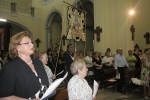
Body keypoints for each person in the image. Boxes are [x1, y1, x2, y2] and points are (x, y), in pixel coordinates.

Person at [0, 31, 49, 99]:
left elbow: (43, 83)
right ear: (17, 48)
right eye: (27, 43)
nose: (32, 45)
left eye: (31, 42)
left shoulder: (38, 63)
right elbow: (4, 97)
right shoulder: (10, 68)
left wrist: (50, 88)